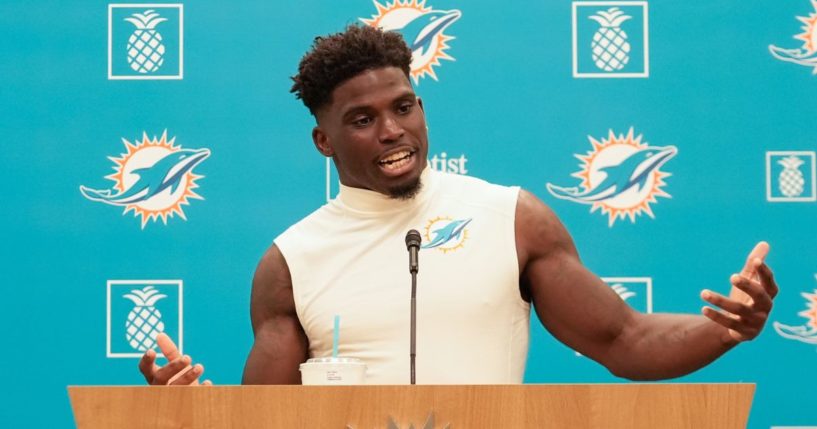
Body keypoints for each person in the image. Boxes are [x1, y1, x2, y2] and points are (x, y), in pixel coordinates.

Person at [139, 25, 778, 386]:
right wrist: (191, 407)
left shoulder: (512, 218)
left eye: (403, 107)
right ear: (324, 141)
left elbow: (624, 338)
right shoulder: (290, 262)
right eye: (362, 119)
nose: (392, 131)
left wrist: (725, 329)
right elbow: (266, 418)